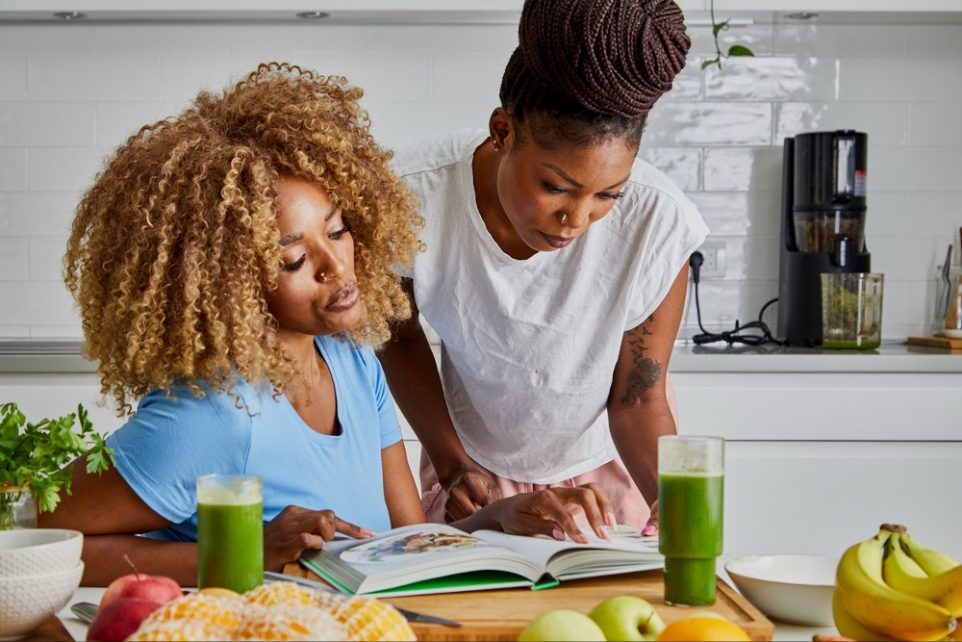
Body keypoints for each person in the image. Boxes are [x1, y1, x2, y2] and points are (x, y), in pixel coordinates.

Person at [39, 62, 614, 587]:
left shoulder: (353, 361)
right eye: (292, 260)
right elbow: (38, 538)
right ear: (228, 283)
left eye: (337, 231)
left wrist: (496, 521)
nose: (336, 266)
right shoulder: (213, 414)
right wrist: (247, 552)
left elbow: (407, 545)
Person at [378, 0, 709, 533]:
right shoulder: (411, 197)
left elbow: (640, 398)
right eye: (555, 186)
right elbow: (396, 335)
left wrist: (674, 506)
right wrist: (450, 460)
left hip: (605, 471)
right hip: (471, 464)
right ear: (502, 132)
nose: (575, 219)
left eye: (609, 195)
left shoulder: (659, 222)